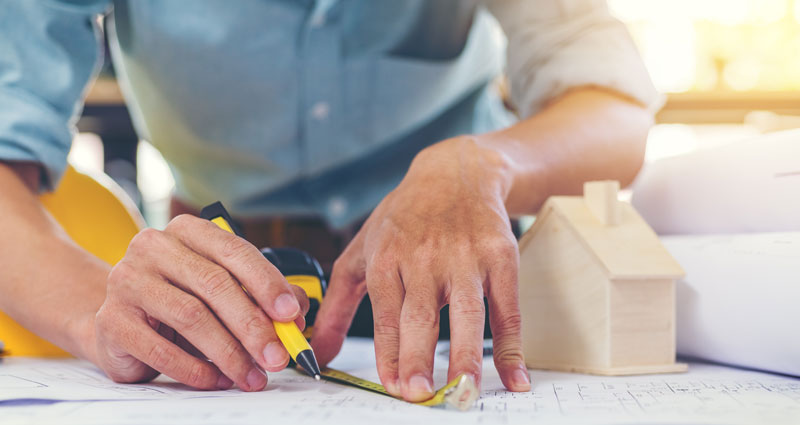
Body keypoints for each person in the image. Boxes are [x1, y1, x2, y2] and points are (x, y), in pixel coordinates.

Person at [0, 0, 658, 402]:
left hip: (466, 273)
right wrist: (100, 314)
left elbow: (615, 108)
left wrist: (487, 163)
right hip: (224, 293)